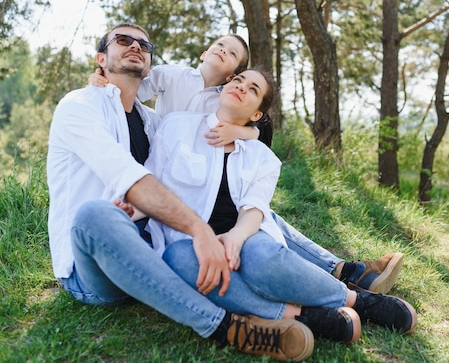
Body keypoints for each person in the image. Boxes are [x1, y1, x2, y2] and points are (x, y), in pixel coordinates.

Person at [47, 22, 315, 361]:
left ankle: (334, 277)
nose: (136, 46)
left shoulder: (153, 122)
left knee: (243, 204)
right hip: (95, 265)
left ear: (148, 65)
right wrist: (198, 230)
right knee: (95, 215)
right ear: (101, 58)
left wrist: (247, 135)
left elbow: (208, 144)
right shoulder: (80, 106)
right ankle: (226, 327)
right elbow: (131, 180)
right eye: (123, 40)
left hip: (153, 246)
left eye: (144, 44)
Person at [89, 33, 406, 295]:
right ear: (203, 52)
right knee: (257, 214)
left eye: (231, 53)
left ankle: (341, 275)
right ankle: (344, 271)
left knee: (255, 213)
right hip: (168, 161)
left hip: (197, 170)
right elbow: (131, 86)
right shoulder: (173, 76)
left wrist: (239, 130)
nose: (222, 50)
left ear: (230, 76)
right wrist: (101, 77)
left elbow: (253, 130)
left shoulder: (223, 97)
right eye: (219, 45)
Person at [143, 67, 417, 342]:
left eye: (253, 89)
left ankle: (358, 301)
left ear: (256, 115)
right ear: (225, 88)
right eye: (239, 80)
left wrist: (235, 240)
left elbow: (255, 208)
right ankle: (300, 316)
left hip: (244, 235)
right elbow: (151, 181)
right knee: (178, 259)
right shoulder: (177, 126)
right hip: (185, 240)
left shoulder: (262, 157)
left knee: (262, 258)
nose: (241, 87)